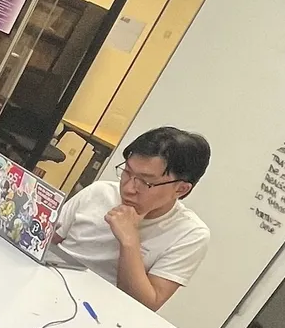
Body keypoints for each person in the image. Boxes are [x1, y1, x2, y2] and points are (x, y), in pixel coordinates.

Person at [46, 126, 211, 311]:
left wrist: (130, 240)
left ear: (181, 189)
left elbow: (145, 305)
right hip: (48, 286)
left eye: (145, 181)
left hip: (100, 312)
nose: (128, 188)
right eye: (127, 171)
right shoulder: (99, 192)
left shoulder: (190, 234)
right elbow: (47, 240)